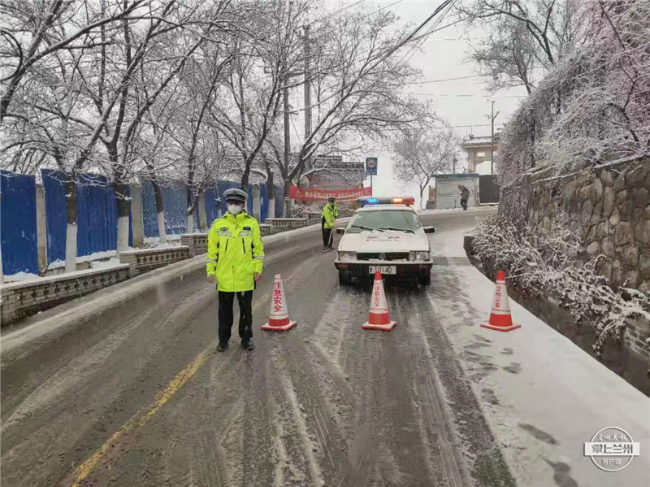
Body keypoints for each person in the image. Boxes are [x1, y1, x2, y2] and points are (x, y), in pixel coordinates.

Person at [207, 188, 264, 352]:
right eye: (230, 203)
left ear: (242, 204)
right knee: (224, 313)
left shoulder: (251, 224)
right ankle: (223, 340)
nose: (233, 206)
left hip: (245, 277)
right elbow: (212, 251)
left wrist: (257, 269)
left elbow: (258, 250)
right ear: (226, 204)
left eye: (237, 203)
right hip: (225, 278)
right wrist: (211, 270)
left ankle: (246, 339)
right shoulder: (219, 225)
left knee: (246, 312)